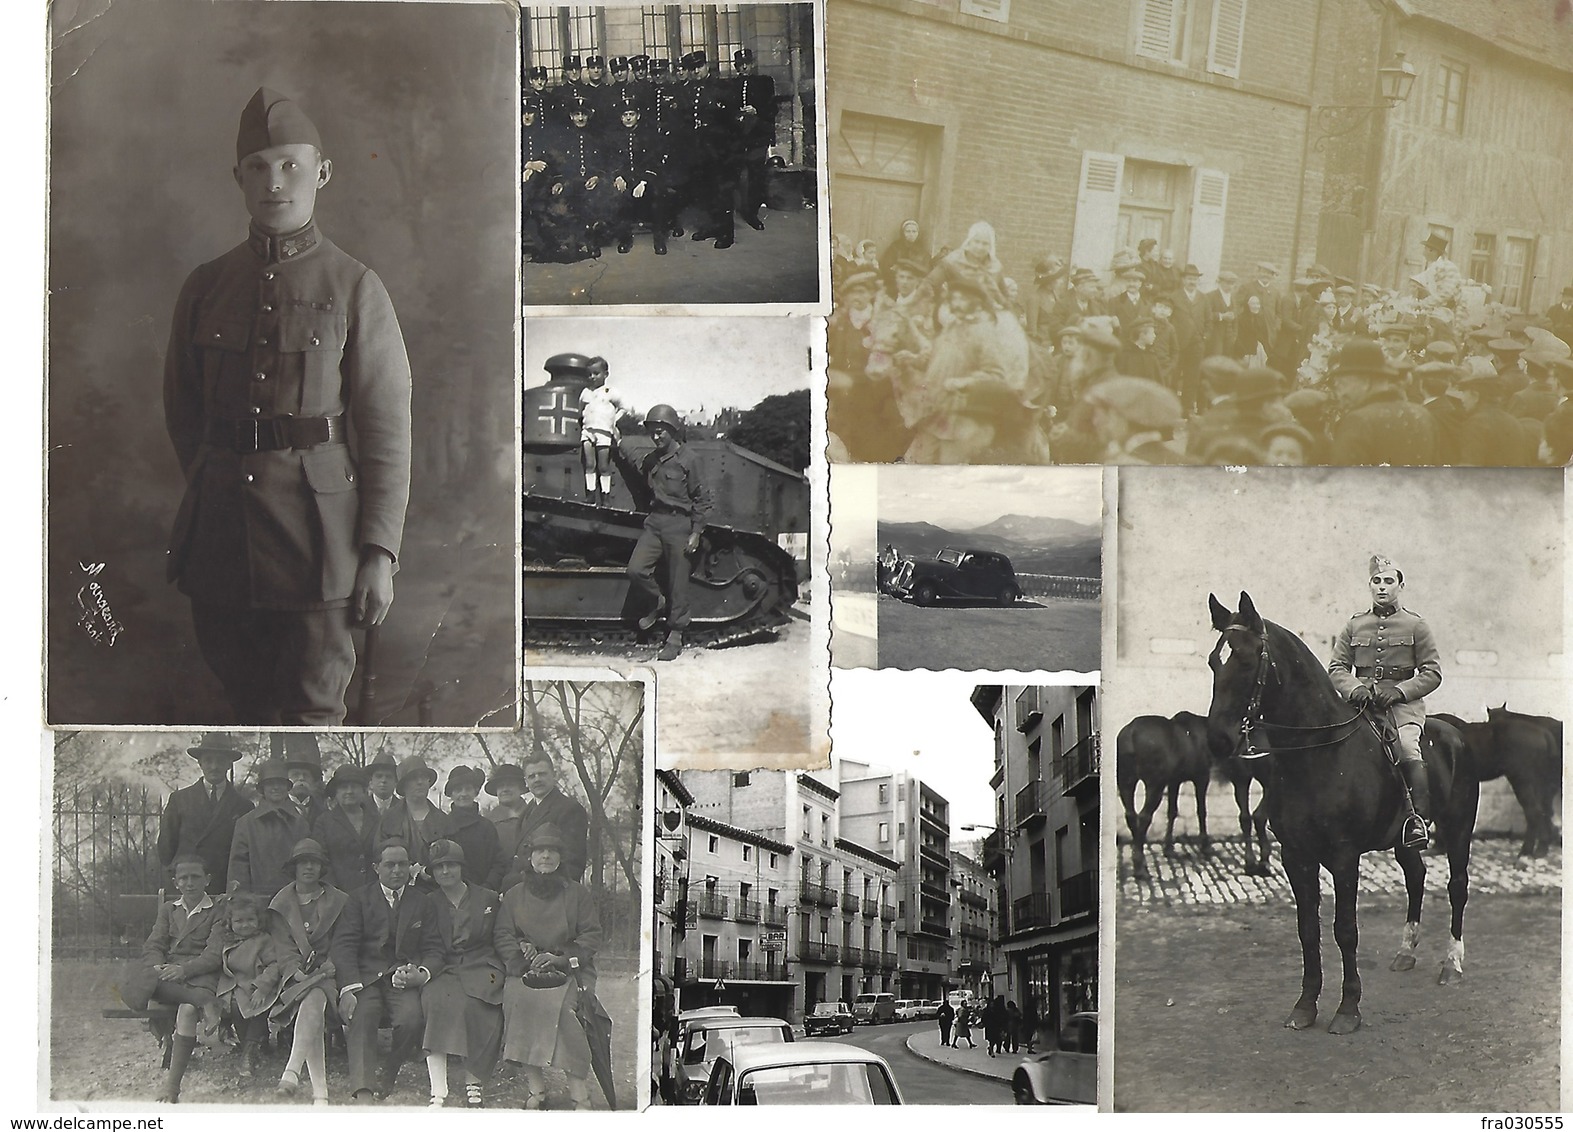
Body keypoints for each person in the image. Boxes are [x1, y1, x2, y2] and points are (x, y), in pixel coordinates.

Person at [163, 88, 411, 725]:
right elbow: (184, 413)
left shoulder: (355, 287)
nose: (276, 182)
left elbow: (385, 433)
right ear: (238, 178)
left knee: (311, 716)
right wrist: (216, 484)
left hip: (319, 549)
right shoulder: (206, 286)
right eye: (259, 167)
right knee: (240, 712)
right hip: (219, 541)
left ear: (322, 174)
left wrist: (379, 554)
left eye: (292, 165)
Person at [1327, 554, 1442, 848]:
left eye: (1389, 581)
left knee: (1404, 746)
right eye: (1376, 581)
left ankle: (1418, 820)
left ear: (1400, 585)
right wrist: (1354, 689)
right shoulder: (1354, 625)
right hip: (1360, 706)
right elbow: (1337, 668)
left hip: (1402, 708)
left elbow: (1432, 673)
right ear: (1370, 585)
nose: (1382, 587)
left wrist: (1401, 691)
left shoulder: (1416, 625)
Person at [495, 825, 605, 1111]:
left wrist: (560, 958)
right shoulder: (514, 894)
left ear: (560, 857)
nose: (545, 856)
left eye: (552, 851)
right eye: (539, 851)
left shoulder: (577, 893)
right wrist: (521, 951)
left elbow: (591, 935)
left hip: (570, 969)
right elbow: (503, 933)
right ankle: (536, 1089)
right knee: (519, 1003)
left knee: (565, 1011)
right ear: (529, 857)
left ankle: (579, 1093)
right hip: (526, 970)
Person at [332, 839, 443, 1103]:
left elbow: (434, 948)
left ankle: (390, 1069)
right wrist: (348, 988)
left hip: (401, 979)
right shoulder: (358, 899)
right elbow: (344, 945)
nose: (396, 870)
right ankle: (363, 1091)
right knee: (363, 1015)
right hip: (366, 979)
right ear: (376, 868)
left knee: (412, 1020)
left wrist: (421, 973)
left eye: (402, 864)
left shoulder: (422, 902)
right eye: (389, 864)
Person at [120, 855, 226, 1103]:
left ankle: (172, 1088)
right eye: (183, 878)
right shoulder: (169, 909)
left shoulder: (217, 911)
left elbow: (214, 954)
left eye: (195, 877)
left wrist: (184, 970)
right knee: (134, 981)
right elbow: (154, 943)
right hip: (167, 972)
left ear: (207, 880)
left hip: (199, 973)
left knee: (187, 1011)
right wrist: (157, 966)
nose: (189, 883)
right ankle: (203, 1001)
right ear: (175, 882)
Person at [904, 274, 1038, 464]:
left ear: (976, 302)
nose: (956, 303)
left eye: (963, 298)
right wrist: (915, 359)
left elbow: (995, 373)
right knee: (919, 464)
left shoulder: (985, 331)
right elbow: (937, 361)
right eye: (954, 298)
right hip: (932, 410)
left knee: (948, 469)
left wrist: (964, 382)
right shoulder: (952, 326)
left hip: (957, 415)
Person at [622, 404, 714, 661]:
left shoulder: (689, 459)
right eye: (652, 431)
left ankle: (675, 636)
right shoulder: (652, 459)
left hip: (679, 525)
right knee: (636, 569)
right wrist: (618, 440)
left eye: (661, 431)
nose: (656, 436)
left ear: (673, 431)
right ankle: (658, 602)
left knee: (678, 583)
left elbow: (702, 499)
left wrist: (696, 532)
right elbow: (635, 461)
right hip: (655, 522)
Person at [421, 840, 505, 1108]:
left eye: (451, 865)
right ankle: (438, 1090)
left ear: (461, 867)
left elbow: (499, 938)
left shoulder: (487, 898)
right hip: (445, 966)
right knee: (436, 1000)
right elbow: (429, 945)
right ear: (432, 873)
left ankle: (474, 1082)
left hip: (482, 965)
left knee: (476, 1007)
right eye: (439, 867)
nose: (446, 871)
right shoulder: (429, 902)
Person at [268, 838, 348, 1105]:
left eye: (314, 862)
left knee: (315, 996)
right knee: (312, 998)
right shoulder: (281, 904)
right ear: (294, 867)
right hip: (295, 978)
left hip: (330, 973)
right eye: (303, 862)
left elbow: (344, 940)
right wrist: (294, 970)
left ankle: (293, 1074)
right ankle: (319, 1094)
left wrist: (332, 962)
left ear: (321, 867)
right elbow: (283, 946)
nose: (309, 867)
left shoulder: (338, 900)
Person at [203, 891, 294, 1078]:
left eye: (250, 920)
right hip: (233, 985)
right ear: (230, 923)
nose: (245, 925)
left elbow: (274, 964)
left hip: (258, 983)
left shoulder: (263, 940)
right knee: (235, 1007)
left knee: (257, 1007)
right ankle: (249, 1044)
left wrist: (263, 986)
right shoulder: (227, 940)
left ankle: (250, 1049)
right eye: (239, 921)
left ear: (259, 921)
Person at [157, 733, 254, 894]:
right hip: (189, 886)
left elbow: (245, 855)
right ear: (200, 763)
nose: (214, 766)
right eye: (209, 760)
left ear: (229, 764)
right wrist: (178, 880)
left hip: (224, 888)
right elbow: (166, 850)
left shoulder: (243, 806)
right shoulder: (179, 799)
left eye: (220, 761)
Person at [1326, 339, 1441, 465]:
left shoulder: (1359, 421)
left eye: (1343, 384)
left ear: (1365, 382)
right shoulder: (1423, 415)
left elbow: (1343, 478)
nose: (1340, 393)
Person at [495, 752, 591, 883]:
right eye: (532, 776)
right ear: (526, 782)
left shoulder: (569, 809)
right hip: (523, 891)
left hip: (550, 892)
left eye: (542, 774)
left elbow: (572, 864)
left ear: (554, 775)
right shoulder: (528, 810)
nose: (537, 779)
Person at [229, 757, 311, 898]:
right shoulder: (246, 823)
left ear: (287, 787)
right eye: (269, 784)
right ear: (262, 788)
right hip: (257, 899)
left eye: (280, 783)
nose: (275, 788)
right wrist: (242, 900)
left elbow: (307, 863)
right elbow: (238, 866)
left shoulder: (300, 823)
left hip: (293, 899)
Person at [378, 756, 453, 888]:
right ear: (403, 785)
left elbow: (452, 858)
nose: (420, 782)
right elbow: (379, 855)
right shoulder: (389, 818)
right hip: (399, 889)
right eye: (413, 778)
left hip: (436, 889)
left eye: (424, 777)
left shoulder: (443, 820)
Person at [313, 764, 378, 896]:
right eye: (343, 787)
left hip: (374, 894)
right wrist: (334, 892)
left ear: (363, 791)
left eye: (354, 787)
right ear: (336, 792)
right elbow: (321, 861)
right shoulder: (324, 822)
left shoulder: (377, 819)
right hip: (338, 895)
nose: (349, 791)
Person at [444, 765, 505, 891]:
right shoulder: (442, 825)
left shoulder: (486, 827)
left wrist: (487, 887)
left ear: (475, 792)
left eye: (468, 789)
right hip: (450, 894)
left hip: (483, 892)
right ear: (451, 794)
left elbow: (498, 863)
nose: (463, 794)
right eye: (458, 790)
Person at [578, 357, 626, 500]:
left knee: (604, 466)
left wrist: (613, 421)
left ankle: (605, 496)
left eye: (596, 373)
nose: (592, 377)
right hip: (588, 432)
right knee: (590, 465)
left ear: (606, 374)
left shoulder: (611, 392)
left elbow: (623, 408)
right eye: (589, 374)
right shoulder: (585, 392)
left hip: (604, 432)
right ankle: (590, 494)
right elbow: (580, 410)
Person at [284, 734, 329, 830]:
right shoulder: (277, 809)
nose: (301, 778)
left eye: (306, 775)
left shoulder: (323, 811)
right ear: (286, 780)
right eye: (295, 775)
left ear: (313, 781)